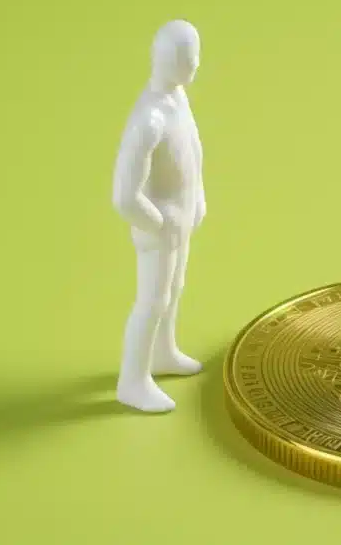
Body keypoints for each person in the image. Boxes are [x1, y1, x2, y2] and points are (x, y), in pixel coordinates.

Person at [111, 20, 206, 412]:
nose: (196, 64)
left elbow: (192, 153)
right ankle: (132, 381)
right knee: (152, 301)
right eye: (187, 57)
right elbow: (124, 196)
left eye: (195, 55)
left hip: (180, 220)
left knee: (174, 289)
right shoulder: (149, 119)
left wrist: (199, 198)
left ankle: (163, 353)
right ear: (165, 60)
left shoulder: (178, 99)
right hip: (161, 228)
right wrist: (158, 224)